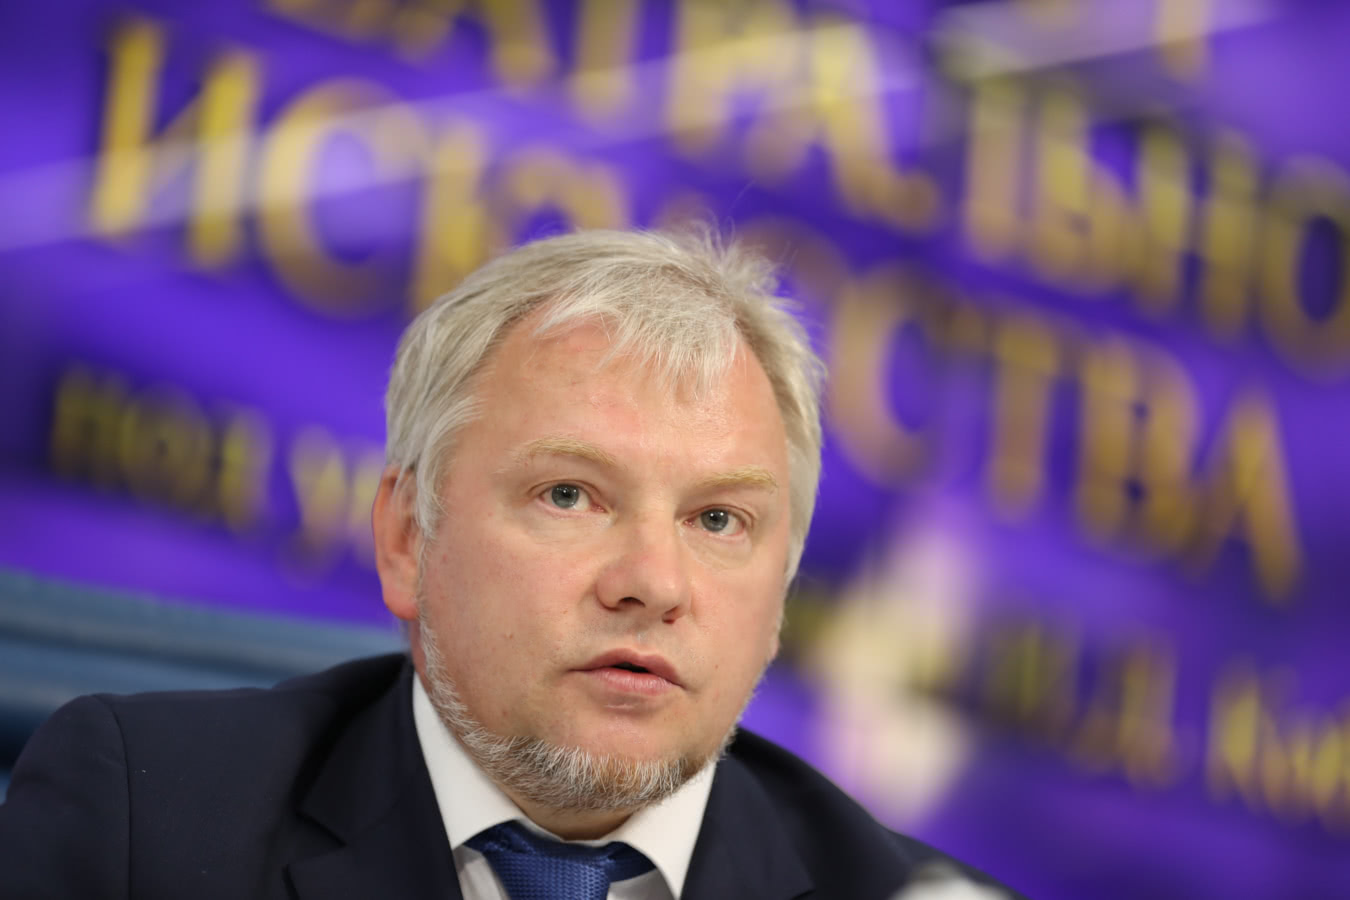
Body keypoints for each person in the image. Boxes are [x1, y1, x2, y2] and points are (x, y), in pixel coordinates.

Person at [0, 229, 1020, 899]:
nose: (653, 583)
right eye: (569, 495)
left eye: (718, 520)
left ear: (781, 597)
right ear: (408, 537)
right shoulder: (144, 823)